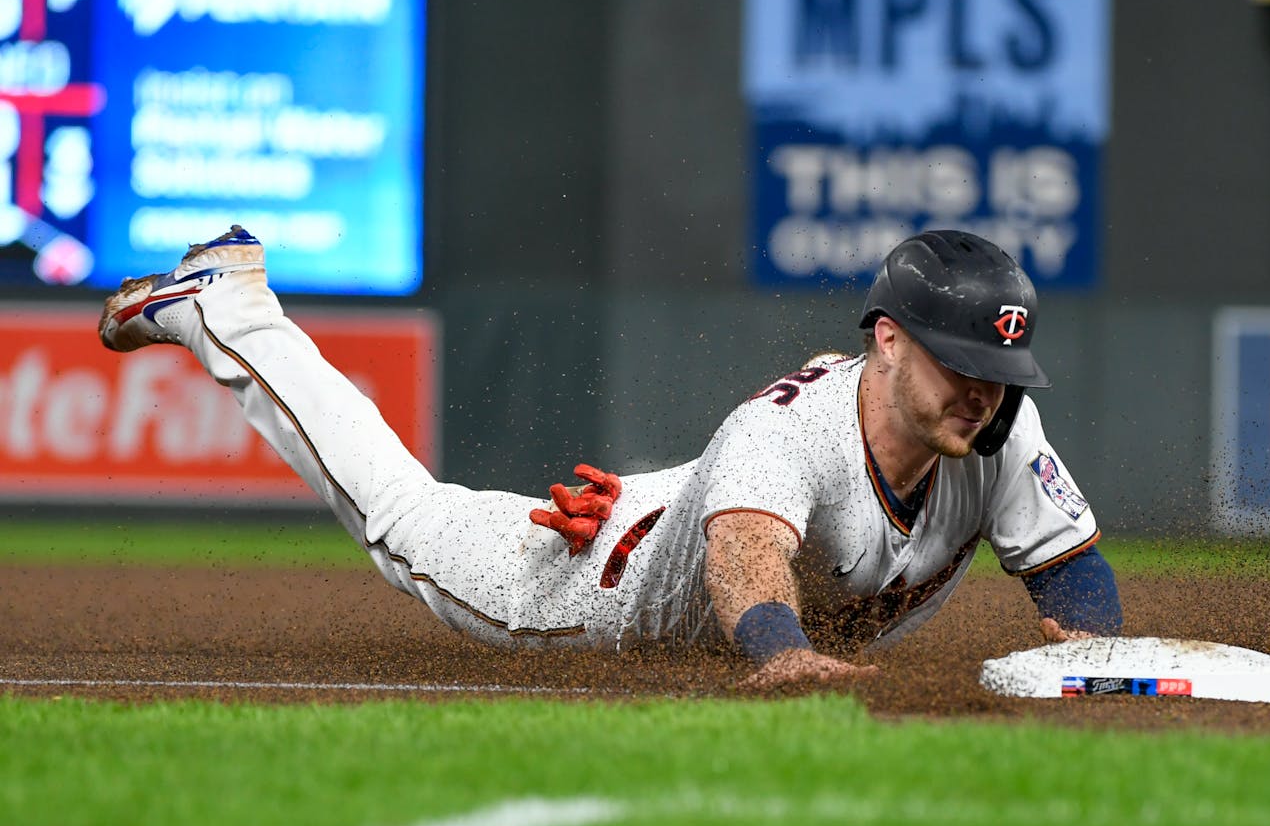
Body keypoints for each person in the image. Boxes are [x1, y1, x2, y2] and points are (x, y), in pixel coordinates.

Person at [98, 227, 1121, 691]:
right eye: (959, 361)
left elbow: (1068, 564)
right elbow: (749, 558)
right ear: (888, 341)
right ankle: (226, 313)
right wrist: (780, 650)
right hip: (591, 585)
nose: (981, 387)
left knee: (723, 490)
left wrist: (1101, 662)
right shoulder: (794, 434)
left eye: (998, 365)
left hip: (681, 506)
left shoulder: (992, 425)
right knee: (403, 518)